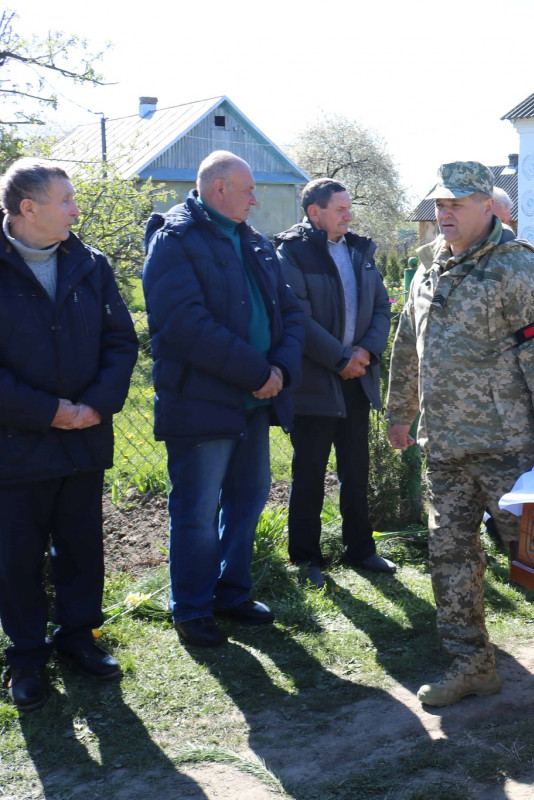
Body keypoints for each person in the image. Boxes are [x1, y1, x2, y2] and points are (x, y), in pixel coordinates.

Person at [386, 161, 534, 707]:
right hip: (445, 447)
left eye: (456, 204)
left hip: (510, 448)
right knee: (449, 558)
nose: (445, 213)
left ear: (488, 205)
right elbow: (408, 344)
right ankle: (471, 663)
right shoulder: (429, 268)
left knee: (532, 556)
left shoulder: (517, 270)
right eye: (440, 204)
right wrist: (399, 412)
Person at [143, 151, 305, 648]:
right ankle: (192, 607)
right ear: (218, 189)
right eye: (249, 189)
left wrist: (279, 368)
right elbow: (184, 324)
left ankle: (231, 593)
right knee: (195, 508)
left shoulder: (253, 242)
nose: (257, 198)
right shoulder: (175, 239)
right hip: (202, 401)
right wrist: (257, 371)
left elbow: (291, 310)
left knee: (248, 498)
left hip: (256, 401)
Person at [0, 159, 138, 712]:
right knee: (16, 556)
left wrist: (93, 407)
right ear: (27, 208)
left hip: (83, 437)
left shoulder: (89, 263)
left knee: (82, 548)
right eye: (66, 200)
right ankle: (27, 658)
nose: (77, 210)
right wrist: (47, 411)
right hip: (15, 444)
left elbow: (121, 342)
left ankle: (80, 638)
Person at [275, 179, 395, 589]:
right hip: (313, 383)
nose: (349, 215)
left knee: (355, 469)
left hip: (356, 379)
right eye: (340, 208)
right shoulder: (292, 252)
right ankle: (305, 556)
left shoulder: (360, 251)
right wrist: (340, 358)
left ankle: (360, 549)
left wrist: (365, 353)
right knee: (308, 472)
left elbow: (382, 305)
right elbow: (297, 317)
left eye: (349, 208)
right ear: (315, 212)